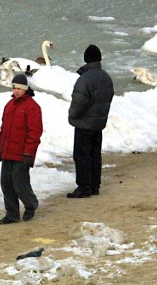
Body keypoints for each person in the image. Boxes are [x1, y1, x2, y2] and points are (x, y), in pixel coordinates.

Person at [67, 44, 114, 198]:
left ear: (86, 59)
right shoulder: (106, 76)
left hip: (84, 123)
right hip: (98, 123)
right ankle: (95, 185)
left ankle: (84, 187)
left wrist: (73, 116)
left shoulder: (85, 79)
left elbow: (78, 102)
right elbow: (109, 98)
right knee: (95, 154)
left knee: (81, 155)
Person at [0, 74, 43, 224]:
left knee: (20, 183)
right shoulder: (9, 105)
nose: (16, 91)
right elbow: (3, 129)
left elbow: (34, 132)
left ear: (26, 89)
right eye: (14, 88)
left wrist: (29, 153)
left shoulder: (32, 107)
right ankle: (12, 213)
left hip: (22, 153)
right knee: (6, 183)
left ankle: (31, 205)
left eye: (19, 88)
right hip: (7, 151)